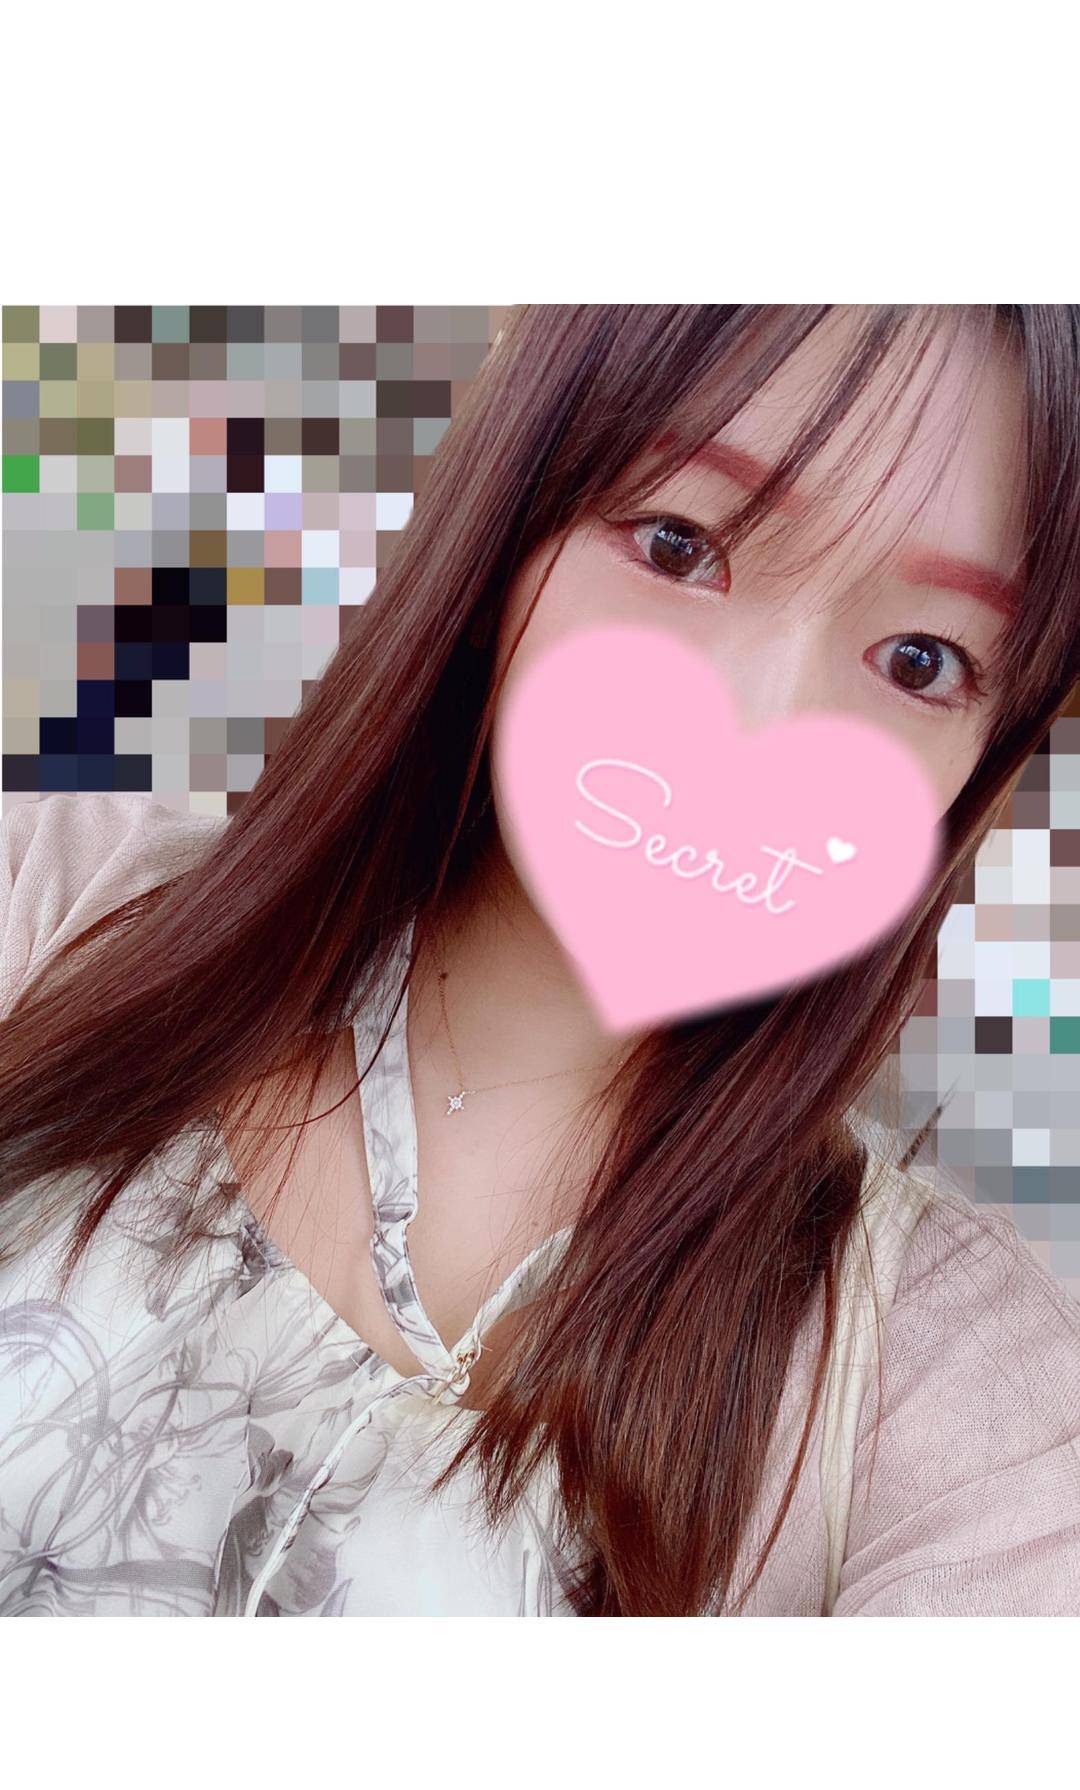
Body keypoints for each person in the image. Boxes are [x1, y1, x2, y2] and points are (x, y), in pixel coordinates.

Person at [0, 303, 1078, 1617]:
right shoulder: (50, 899)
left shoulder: (968, 1402)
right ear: (510, 524)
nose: (763, 720)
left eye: (921, 660)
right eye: (681, 544)